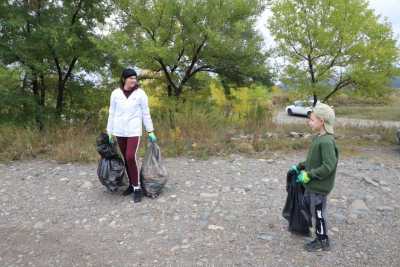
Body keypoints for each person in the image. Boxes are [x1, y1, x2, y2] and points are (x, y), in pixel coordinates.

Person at [289, 103, 338, 252]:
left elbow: (328, 166)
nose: (309, 122)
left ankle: (322, 240)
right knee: (306, 205)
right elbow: (313, 160)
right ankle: (305, 227)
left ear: (321, 121)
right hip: (312, 184)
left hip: (319, 186)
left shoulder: (327, 141)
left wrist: (309, 175)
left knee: (318, 214)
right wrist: (301, 166)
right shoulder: (318, 138)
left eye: (312, 120)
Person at [106, 68, 157, 203]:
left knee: (130, 156)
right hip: (119, 131)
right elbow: (112, 113)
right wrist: (109, 131)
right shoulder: (116, 93)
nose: (134, 80)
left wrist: (150, 131)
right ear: (124, 79)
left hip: (134, 131)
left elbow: (146, 113)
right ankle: (131, 184)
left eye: (135, 78)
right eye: (131, 78)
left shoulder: (140, 94)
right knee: (125, 158)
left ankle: (137, 188)